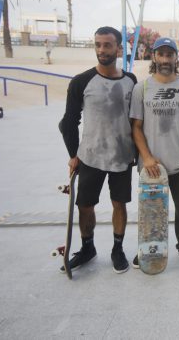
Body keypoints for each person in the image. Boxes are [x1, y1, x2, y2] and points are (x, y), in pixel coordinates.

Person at [59, 26, 137, 274]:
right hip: (90, 156)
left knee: (119, 204)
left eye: (107, 45)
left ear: (118, 48)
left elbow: (137, 120)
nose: (102, 50)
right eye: (98, 45)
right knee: (85, 206)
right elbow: (68, 122)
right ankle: (88, 248)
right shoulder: (81, 81)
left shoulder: (131, 81)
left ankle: (117, 248)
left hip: (122, 156)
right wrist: (74, 154)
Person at [130, 37, 179, 268]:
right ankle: (146, 248)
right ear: (154, 57)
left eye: (170, 54)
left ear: (176, 57)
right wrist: (147, 157)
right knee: (151, 210)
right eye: (161, 54)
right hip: (151, 164)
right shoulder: (142, 88)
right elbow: (136, 127)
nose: (166, 59)